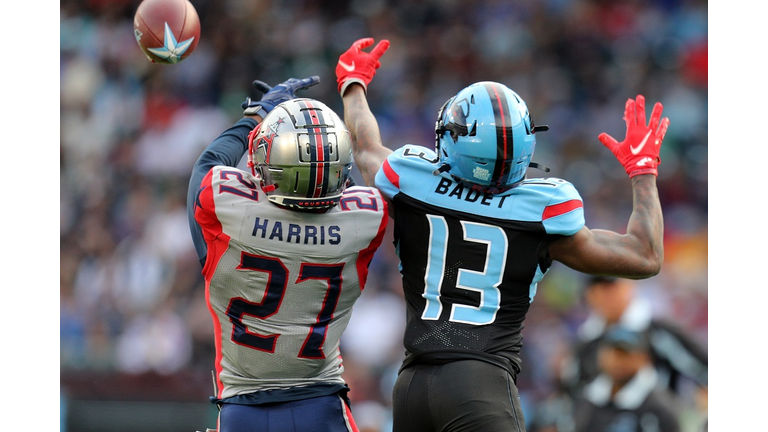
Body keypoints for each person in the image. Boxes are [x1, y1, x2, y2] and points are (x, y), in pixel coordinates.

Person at [334, 37, 670, 432]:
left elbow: (364, 147)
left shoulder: (411, 182)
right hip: (480, 385)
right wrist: (643, 172)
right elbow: (645, 255)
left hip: (411, 386)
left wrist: (353, 84)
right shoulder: (541, 211)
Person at [186, 75, 390, 432]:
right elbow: (345, 185)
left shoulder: (226, 208)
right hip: (322, 405)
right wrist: (325, 160)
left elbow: (210, 162)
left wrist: (257, 114)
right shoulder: (367, 219)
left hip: (242, 410)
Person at [562, 276, 708, 430]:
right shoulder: (586, 343)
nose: (605, 295)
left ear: (629, 286)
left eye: (611, 287)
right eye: (598, 288)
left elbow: (704, 367)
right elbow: (570, 391)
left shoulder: (658, 332)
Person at [572, 326, 684, 432]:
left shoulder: (659, 407)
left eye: (625, 355)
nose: (616, 362)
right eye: (612, 354)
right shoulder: (588, 398)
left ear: (644, 359)